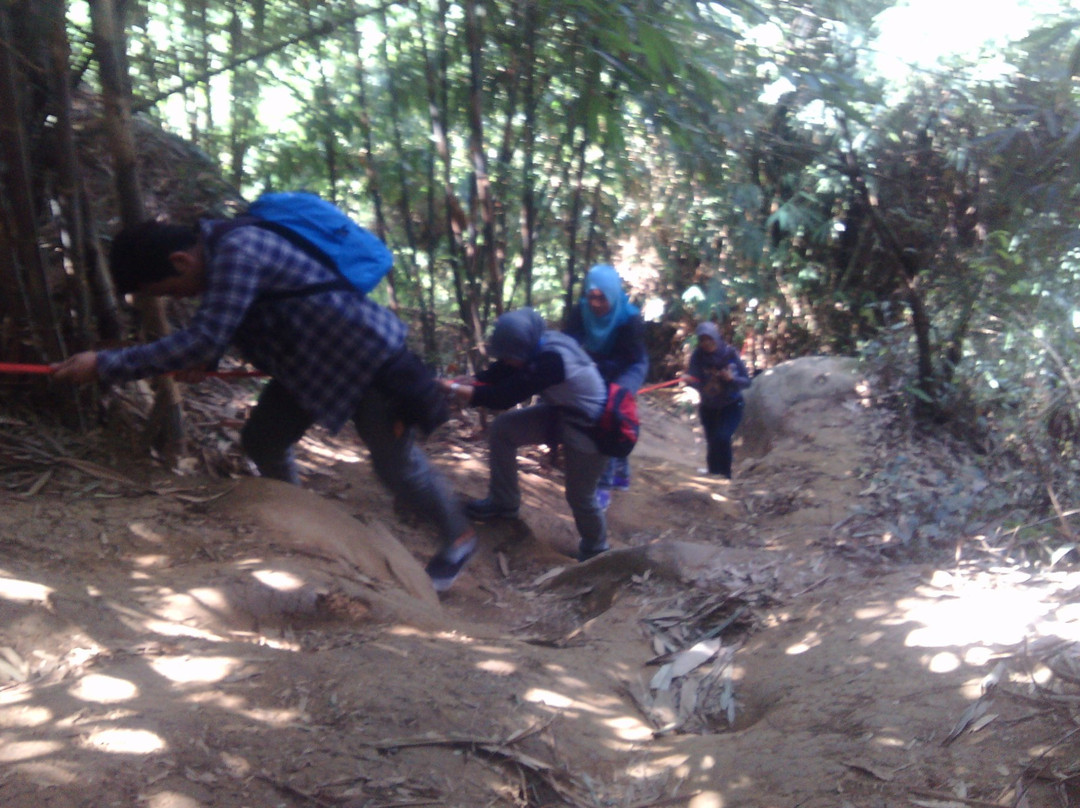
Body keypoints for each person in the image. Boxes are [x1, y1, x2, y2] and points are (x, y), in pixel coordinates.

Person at [50, 218, 476, 592]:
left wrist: (106, 365)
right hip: (307, 366)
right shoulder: (221, 252)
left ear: (180, 261)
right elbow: (233, 319)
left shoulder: (237, 250)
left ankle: (459, 537)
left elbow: (203, 334)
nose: (179, 298)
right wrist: (208, 356)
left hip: (367, 359)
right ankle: (300, 519)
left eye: (171, 291)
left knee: (395, 465)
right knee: (263, 439)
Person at [439, 308, 611, 561]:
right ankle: (503, 502)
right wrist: (473, 379)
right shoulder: (538, 344)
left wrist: (453, 388)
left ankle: (597, 552)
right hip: (563, 412)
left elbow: (504, 396)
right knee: (503, 430)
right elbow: (505, 370)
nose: (507, 359)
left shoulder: (552, 360)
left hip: (591, 427)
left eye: (510, 355)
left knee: (580, 495)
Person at [564, 264, 648, 510]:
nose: (596, 303)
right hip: (597, 362)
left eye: (602, 298)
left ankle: (604, 483)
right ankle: (621, 468)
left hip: (629, 365)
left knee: (611, 411)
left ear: (613, 294)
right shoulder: (580, 312)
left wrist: (593, 369)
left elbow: (628, 358)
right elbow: (570, 341)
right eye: (592, 297)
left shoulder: (630, 320)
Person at [685, 321, 751, 479]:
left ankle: (726, 475)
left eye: (709, 338)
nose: (706, 343)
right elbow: (696, 380)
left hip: (731, 405)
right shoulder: (698, 356)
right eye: (702, 339)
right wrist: (689, 380)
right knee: (712, 440)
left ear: (716, 337)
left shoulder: (730, 353)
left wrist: (731, 379)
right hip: (708, 406)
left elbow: (747, 381)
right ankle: (713, 475)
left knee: (722, 437)